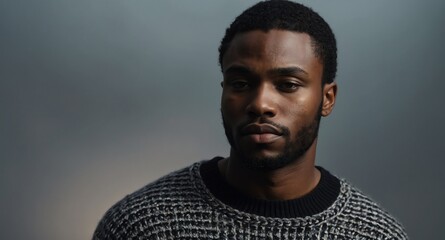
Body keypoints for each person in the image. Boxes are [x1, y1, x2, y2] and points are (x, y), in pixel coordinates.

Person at [93, 1, 408, 239]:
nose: (261, 104)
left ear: (327, 99)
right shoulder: (143, 226)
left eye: (287, 85)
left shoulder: (373, 234)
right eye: (241, 84)